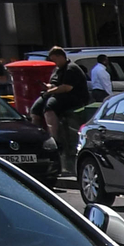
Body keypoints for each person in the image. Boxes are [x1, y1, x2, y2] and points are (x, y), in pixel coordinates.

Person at [37, 46, 92, 179]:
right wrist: (47, 87)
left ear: (61, 56)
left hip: (73, 98)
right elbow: (55, 84)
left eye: (55, 59)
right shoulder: (58, 70)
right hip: (58, 95)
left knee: (49, 107)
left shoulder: (71, 68)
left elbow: (67, 87)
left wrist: (50, 91)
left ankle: (53, 137)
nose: (55, 63)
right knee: (36, 108)